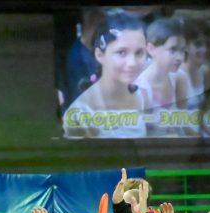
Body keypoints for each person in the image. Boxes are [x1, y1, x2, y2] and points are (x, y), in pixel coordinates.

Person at [63, 11, 148, 139]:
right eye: (121, 52)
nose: (132, 63)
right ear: (99, 55)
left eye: (139, 53)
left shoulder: (144, 96)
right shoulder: (79, 115)